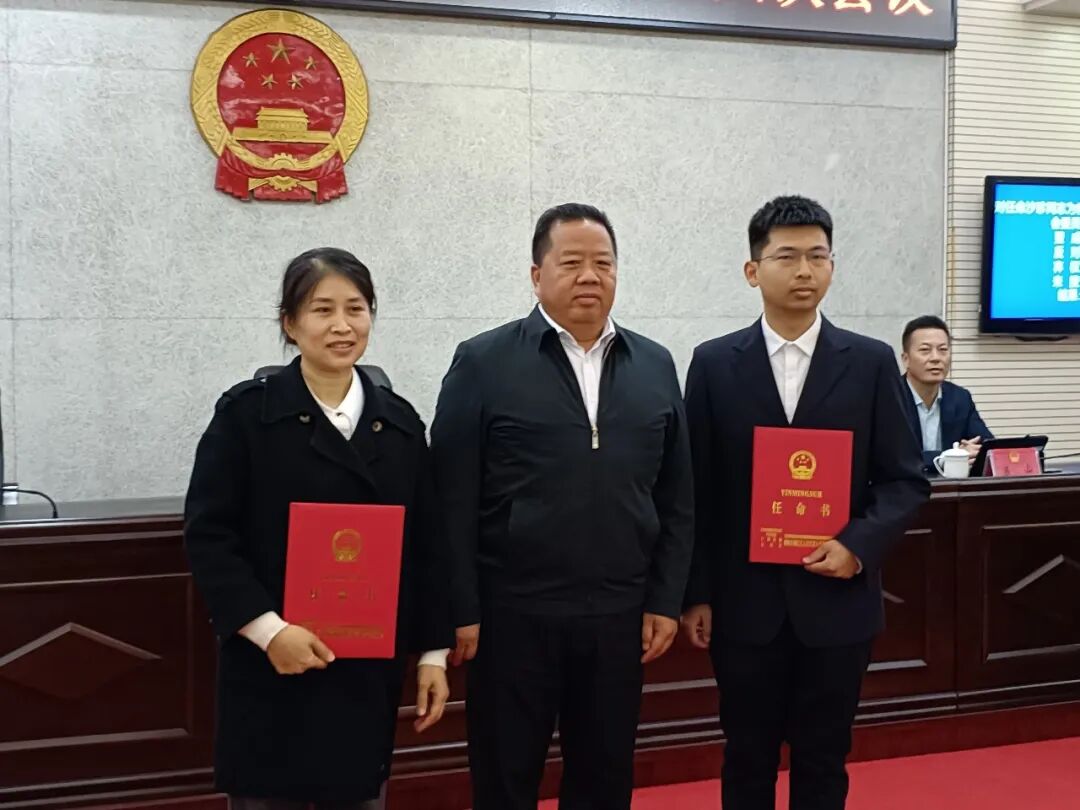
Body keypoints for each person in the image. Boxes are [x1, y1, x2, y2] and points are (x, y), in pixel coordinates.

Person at [430, 204, 694, 810]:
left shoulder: (654, 364)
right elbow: (451, 496)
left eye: (603, 263)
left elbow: (677, 496)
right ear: (536, 275)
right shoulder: (484, 361)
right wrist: (461, 607)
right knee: (505, 778)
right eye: (571, 263)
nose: (589, 276)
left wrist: (665, 598)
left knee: (604, 779)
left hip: (619, 614)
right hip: (512, 614)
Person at [681, 196, 930, 810]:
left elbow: (904, 480)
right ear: (753, 270)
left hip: (837, 603)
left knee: (824, 759)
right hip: (744, 606)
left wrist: (857, 546)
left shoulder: (870, 363)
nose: (804, 271)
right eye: (787, 256)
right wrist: (697, 592)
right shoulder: (712, 364)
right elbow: (696, 490)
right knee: (747, 758)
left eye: (818, 256)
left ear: (832, 267)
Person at [184, 248, 452, 810]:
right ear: (290, 323)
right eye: (322, 309)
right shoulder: (245, 417)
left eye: (356, 308)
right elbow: (210, 535)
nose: (342, 325)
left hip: (363, 674)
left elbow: (428, 548)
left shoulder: (400, 425)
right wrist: (268, 631)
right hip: (269, 666)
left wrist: (432, 653)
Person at [900, 315, 993, 469]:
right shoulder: (889, 397)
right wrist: (950, 456)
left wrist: (975, 452)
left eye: (943, 350)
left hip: (951, 483)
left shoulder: (960, 397)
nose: (936, 358)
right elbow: (893, 457)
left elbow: (985, 445)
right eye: (925, 350)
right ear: (906, 359)